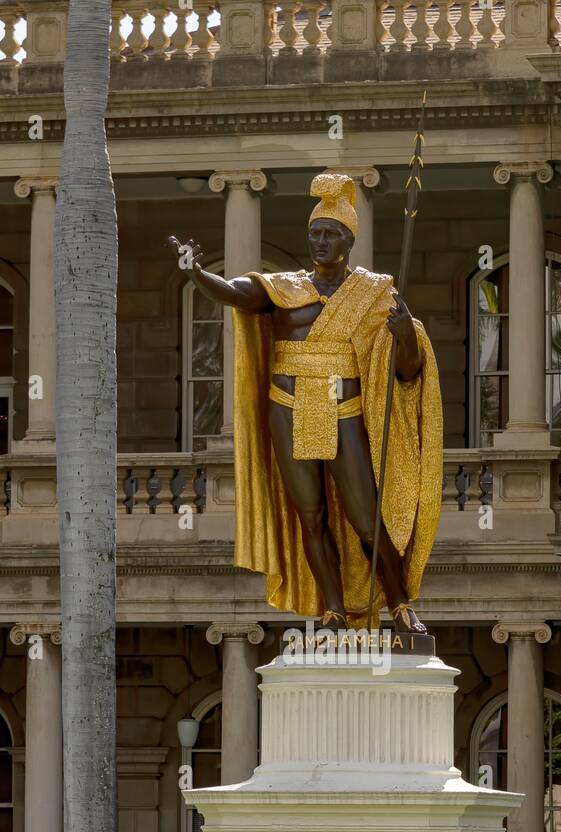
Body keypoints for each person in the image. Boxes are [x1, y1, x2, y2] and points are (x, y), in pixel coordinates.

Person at [170, 172, 442, 631]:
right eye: (314, 233)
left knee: (364, 517)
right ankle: (332, 608)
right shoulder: (283, 288)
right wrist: (197, 274)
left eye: (330, 234)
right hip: (288, 408)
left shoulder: (375, 293)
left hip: (345, 409)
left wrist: (405, 337)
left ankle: (398, 605)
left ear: (348, 240)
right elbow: (234, 293)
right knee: (311, 516)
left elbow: (408, 369)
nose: (320, 241)